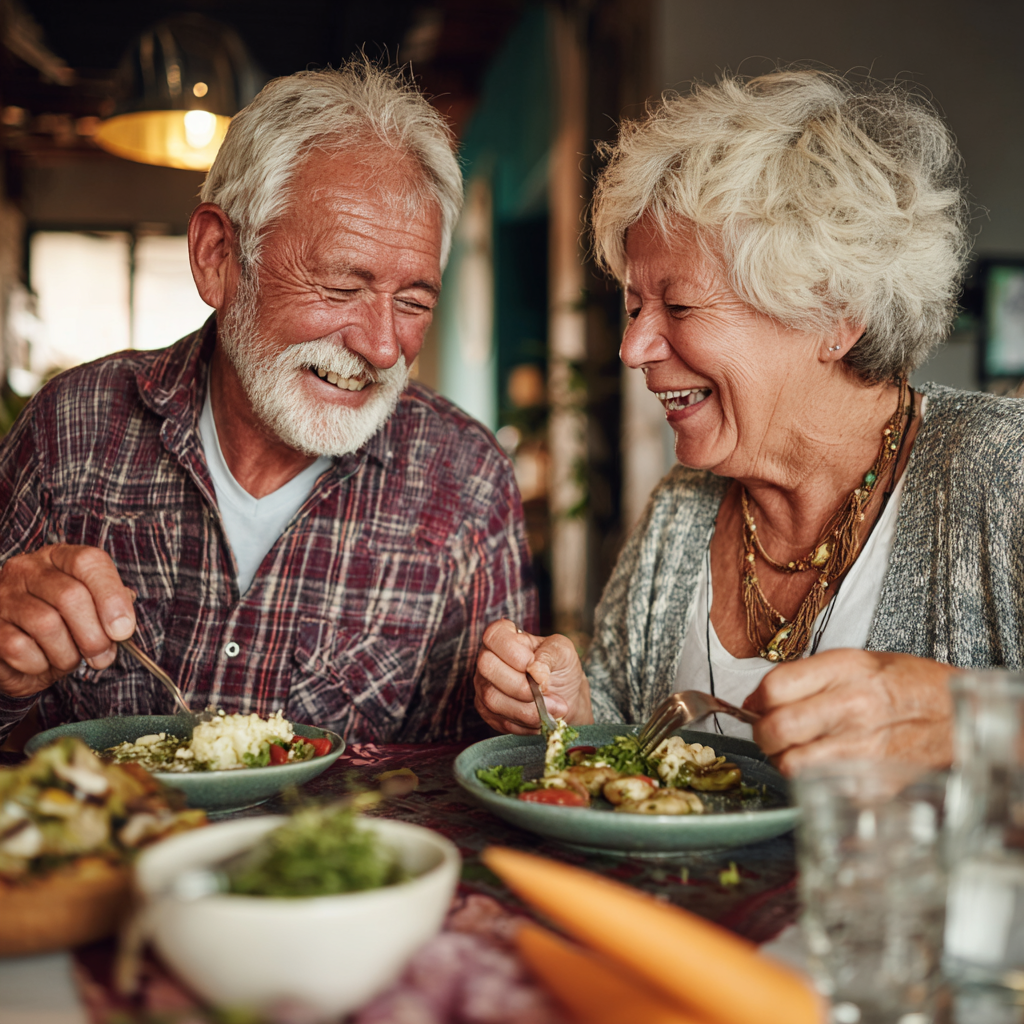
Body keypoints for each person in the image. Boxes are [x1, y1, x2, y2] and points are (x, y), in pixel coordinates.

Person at [474, 69, 1024, 774]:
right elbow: (620, 742)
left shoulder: (1001, 471)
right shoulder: (682, 510)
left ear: (833, 316)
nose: (633, 347)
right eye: (634, 305)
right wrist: (570, 708)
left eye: (679, 306)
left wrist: (975, 722)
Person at [0, 61, 536, 746]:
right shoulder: (69, 430)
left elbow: (492, 772)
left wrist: (534, 717)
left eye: (413, 302)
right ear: (219, 256)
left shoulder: (468, 483)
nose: (380, 347)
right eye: (342, 288)